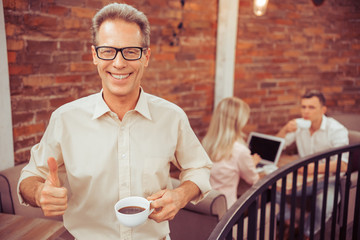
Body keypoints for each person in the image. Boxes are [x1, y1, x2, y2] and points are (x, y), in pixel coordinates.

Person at [17, 3, 212, 240]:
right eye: (108, 51)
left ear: (146, 57)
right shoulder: (65, 119)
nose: (119, 63)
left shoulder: (172, 117)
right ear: (94, 56)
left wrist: (181, 195)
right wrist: (39, 193)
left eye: (130, 51)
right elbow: (29, 177)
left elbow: (199, 167)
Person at [276, 90, 349, 236]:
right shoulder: (300, 125)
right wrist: (284, 129)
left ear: (323, 110)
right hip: (305, 180)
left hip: (330, 181)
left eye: (311, 107)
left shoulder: (336, 130)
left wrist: (312, 169)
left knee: (324, 204)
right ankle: (290, 222)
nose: (306, 111)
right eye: (303, 107)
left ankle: (306, 233)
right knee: (274, 190)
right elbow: (277, 145)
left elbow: (343, 164)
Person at [202, 97, 260, 207]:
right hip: (228, 213)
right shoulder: (239, 151)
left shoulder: (207, 143)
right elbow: (254, 179)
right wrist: (253, 163)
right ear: (238, 122)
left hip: (207, 206)